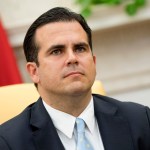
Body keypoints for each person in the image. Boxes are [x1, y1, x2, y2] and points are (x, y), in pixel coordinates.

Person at [0, 7, 150, 150]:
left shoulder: (141, 120)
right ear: (34, 72)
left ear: (93, 62)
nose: (72, 58)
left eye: (80, 49)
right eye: (57, 51)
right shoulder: (8, 143)